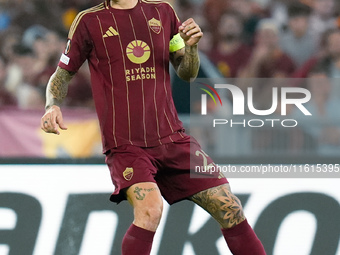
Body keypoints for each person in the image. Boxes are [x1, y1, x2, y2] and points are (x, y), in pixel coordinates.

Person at [40, 0, 266, 254]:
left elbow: (187, 73)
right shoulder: (89, 21)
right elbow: (61, 75)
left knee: (230, 207)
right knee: (150, 210)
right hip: (126, 145)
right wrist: (52, 105)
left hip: (172, 138)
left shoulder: (164, 12)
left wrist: (191, 49)